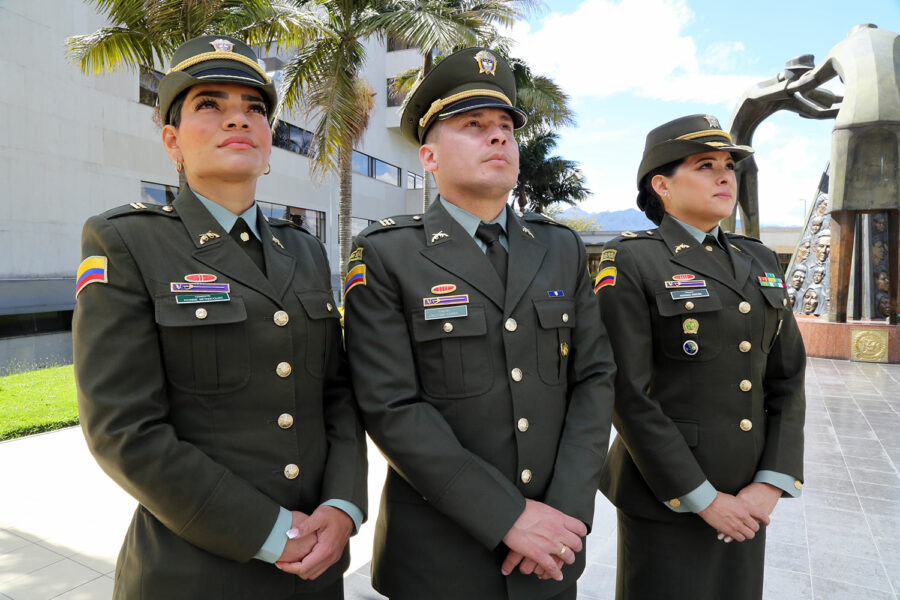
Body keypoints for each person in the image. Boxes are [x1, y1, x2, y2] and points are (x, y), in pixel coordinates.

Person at [72, 35, 367, 600]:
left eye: (254, 109)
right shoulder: (124, 241)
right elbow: (122, 428)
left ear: (269, 142)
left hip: (315, 567)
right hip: (192, 571)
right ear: (171, 141)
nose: (239, 119)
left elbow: (337, 393)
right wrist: (271, 532)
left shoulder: (303, 251)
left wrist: (343, 506)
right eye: (210, 104)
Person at [343, 47, 616, 600]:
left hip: (552, 551)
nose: (498, 138)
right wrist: (508, 516)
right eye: (473, 125)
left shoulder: (561, 247)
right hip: (440, 558)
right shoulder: (387, 253)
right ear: (428, 155)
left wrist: (565, 513)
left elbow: (594, 380)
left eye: (505, 128)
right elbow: (390, 406)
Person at [594, 115, 806, 600]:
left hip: (749, 491)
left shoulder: (761, 260)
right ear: (662, 185)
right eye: (705, 164)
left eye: (729, 165)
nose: (725, 175)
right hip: (667, 489)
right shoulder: (632, 259)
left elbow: (787, 378)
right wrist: (703, 498)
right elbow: (626, 392)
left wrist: (771, 481)